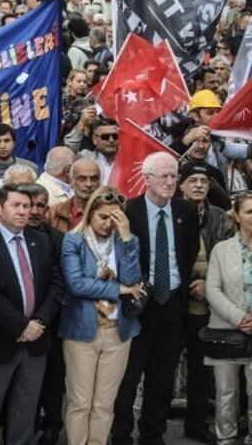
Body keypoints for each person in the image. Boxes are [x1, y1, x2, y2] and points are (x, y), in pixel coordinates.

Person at [0, 184, 64, 445]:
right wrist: (21, 325)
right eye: (16, 205)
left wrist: (39, 321)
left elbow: (56, 285)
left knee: (25, 412)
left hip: (36, 341)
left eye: (27, 206)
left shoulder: (41, 241)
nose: (23, 211)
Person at [111, 152, 201, 445]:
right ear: (147, 179)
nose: (170, 182)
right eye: (164, 176)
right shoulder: (130, 211)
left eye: (174, 176)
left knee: (162, 377)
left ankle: (152, 434)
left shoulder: (186, 211)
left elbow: (187, 254)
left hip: (172, 302)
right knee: (128, 376)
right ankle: (121, 434)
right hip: (138, 304)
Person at [59, 187, 142, 445]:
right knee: (80, 402)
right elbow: (76, 284)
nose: (108, 224)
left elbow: (133, 280)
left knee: (105, 403)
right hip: (82, 330)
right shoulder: (73, 240)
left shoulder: (127, 241)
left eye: (114, 218)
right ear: (90, 213)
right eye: (103, 217)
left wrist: (126, 238)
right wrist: (120, 289)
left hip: (119, 331)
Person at [179, 162, 233, 443]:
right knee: (162, 367)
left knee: (201, 370)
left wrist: (207, 283)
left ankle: (196, 424)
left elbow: (227, 256)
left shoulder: (220, 217)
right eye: (193, 180)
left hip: (208, 304)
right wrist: (191, 283)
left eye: (204, 181)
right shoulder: (172, 212)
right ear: (181, 185)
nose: (199, 185)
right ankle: (154, 427)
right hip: (176, 302)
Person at [205, 193, 252, 445]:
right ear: (236, 215)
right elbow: (212, 290)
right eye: (249, 211)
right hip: (226, 328)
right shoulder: (221, 250)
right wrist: (240, 317)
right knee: (226, 392)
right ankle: (226, 438)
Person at [48, 159, 102, 233]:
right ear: (71, 181)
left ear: (100, 182)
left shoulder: (110, 212)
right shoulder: (54, 213)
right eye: (82, 179)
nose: (89, 184)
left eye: (94, 179)